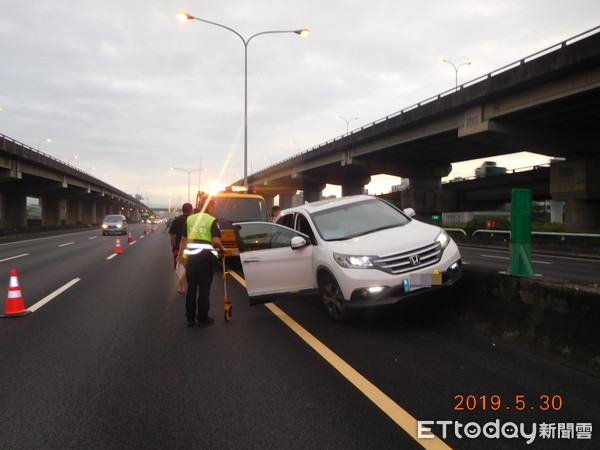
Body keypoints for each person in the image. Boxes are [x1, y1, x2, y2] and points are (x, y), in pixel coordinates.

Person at [178, 199, 227, 327]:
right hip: (205, 260)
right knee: (204, 289)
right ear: (209, 206)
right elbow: (216, 241)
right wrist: (222, 248)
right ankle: (202, 318)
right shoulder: (211, 220)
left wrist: (180, 256)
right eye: (214, 206)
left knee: (192, 289)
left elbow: (183, 239)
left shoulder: (190, 219)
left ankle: (190, 317)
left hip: (191, 259)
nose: (214, 209)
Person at [168, 203, 193, 293]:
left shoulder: (176, 220)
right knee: (192, 267)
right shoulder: (194, 220)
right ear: (191, 210)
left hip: (179, 248)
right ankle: (193, 286)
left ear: (182, 210)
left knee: (180, 268)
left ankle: (182, 287)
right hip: (192, 248)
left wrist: (172, 246)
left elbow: (172, 234)